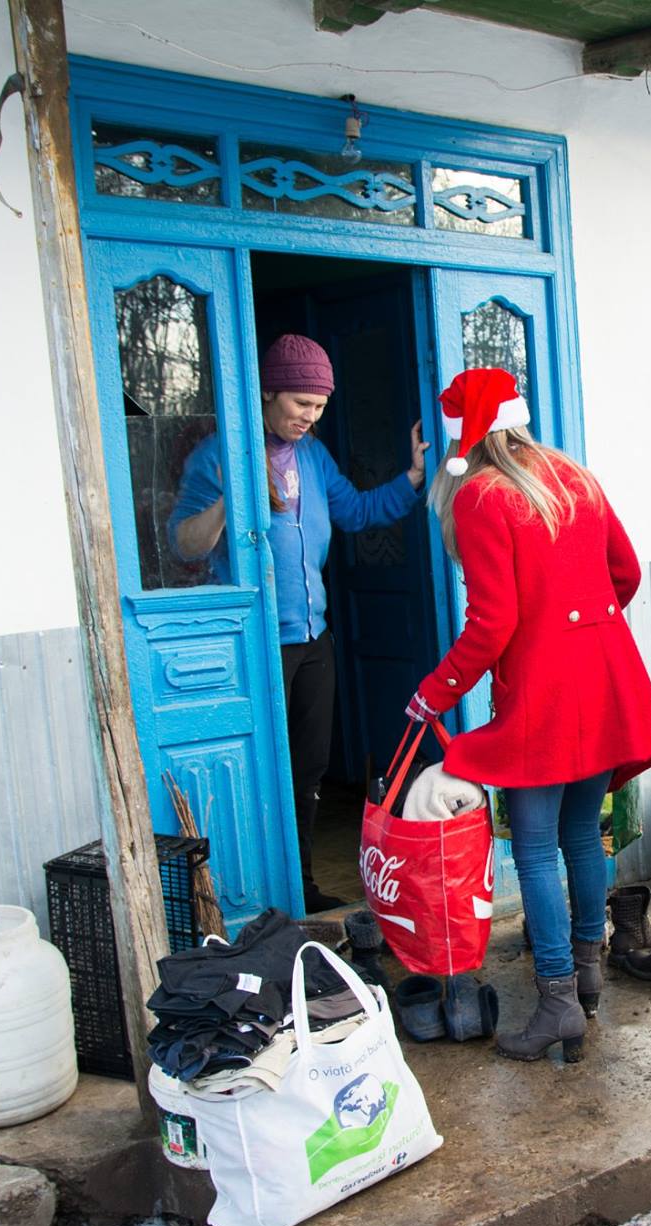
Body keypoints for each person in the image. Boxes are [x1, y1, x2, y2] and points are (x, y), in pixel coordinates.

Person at [405, 367, 651, 1064]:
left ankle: (556, 1002)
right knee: (582, 833)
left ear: (467, 428)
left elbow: (492, 623)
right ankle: (586, 979)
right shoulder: (573, 474)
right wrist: (579, 617)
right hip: (604, 675)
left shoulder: (481, 495)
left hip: (543, 692)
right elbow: (627, 572)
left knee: (533, 845)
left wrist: (435, 690)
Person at [171, 333, 427, 911]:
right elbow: (183, 543)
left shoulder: (313, 456)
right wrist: (237, 494)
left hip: (312, 638)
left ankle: (301, 884)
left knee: (308, 767)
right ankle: (254, 894)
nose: (309, 418)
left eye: (318, 408)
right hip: (254, 643)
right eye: (299, 405)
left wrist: (412, 477)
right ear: (267, 394)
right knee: (261, 767)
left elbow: (357, 511)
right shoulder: (219, 454)